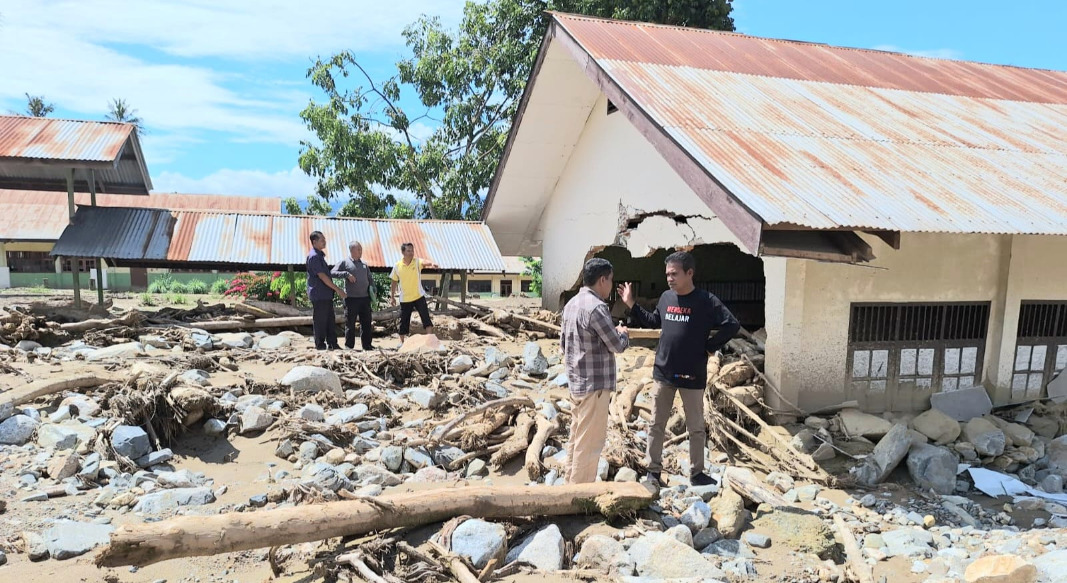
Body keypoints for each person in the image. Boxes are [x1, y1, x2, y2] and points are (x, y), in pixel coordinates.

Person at [619, 251, 739, 487]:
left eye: (674, 274)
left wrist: (709, 347)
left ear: (689, 273)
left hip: (693, 374)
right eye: (667, 274)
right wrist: (631, 304)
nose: (669, 279)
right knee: (656, 424)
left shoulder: (706, 301)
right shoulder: (665, 298)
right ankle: (653, 471)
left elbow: (732, 324)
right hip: (664, 372)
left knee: (696, 427)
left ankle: (697, 473)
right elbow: (653, 321)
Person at [561, 258, 629, 484]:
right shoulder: (597, 307)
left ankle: (569, 484)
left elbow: (564, 345)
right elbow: (616, 345)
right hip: (595, 386)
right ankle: (579, 496)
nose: (611, 285)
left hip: (577, 383)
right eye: (610, 280)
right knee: (590, 443)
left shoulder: (571, 304)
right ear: (603, 280)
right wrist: (623, 332)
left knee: (577, 437)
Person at [331, 241, 375, 350]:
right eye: (358, 249)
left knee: (366, 323)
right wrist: (346, 274)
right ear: (352, 250)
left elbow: (370, 279)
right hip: (351, 299)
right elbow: (332, 272)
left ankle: (367, 345)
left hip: (365, 298)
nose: (361, 251)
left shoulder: (364, 264)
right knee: (350, 323)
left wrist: (373, 289)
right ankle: (349, 346)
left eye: (361, 249)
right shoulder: (345, 262)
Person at [306, 231, 346, 350]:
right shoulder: (314, 257)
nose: (325, 242)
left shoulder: (319, 256)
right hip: (319, 294)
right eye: (322, 240)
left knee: (329, 319)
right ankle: (320, 344)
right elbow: (323, 277)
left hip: (326, 294)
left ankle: (332, 343)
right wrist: (338, 289)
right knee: (320, 320)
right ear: (314, 242)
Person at [389, 242, 436, 343]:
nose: (411, 253)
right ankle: (401, 343)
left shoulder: (417, 262)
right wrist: (392, 297)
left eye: (412, 250)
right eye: (408, 251)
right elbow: (393, 282)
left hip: (419, 296)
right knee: (404, 321)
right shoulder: (397, 266)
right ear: (403, 252)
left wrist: (432, 263)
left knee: (426, 318)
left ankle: (431, 340)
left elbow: (424, 262)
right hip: (405, 299)